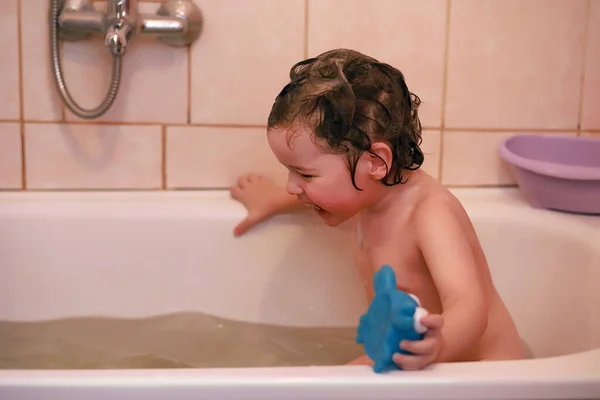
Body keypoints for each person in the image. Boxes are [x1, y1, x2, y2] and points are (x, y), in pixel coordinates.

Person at [230, 49, 524, 370]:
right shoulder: (369, 192)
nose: (292, 186)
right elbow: (335, 195)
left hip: (482, 373)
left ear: (375, 163)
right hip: (410, 357)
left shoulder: (429, 213)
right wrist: (276, 200)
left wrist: (438, 345)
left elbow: (469, 304)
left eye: (305, 174)